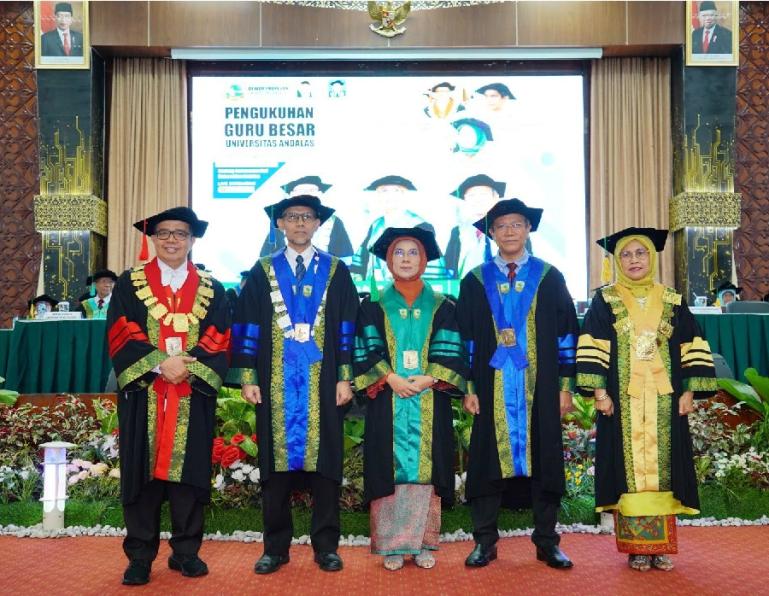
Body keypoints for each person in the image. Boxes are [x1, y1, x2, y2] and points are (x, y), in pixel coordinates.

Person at [230, 194, 359, 574]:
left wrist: (345, 378)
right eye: (291, 217)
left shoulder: (336, 271)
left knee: (326, 468)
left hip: (323, 383)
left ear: (318, 224)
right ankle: (275, 548)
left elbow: (346, 328)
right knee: (276, 471)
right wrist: (248, 378)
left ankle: (325, 546)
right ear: (280, 224)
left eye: (307, 217)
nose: (300, 223)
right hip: (275, 384)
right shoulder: (262, 271)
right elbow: (247, 326)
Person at [576, 227, 717, 572]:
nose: (634, 260)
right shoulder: (605, 300)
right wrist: (599, 393)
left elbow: (691, 344)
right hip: (621, 401)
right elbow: (593, 344)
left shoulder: (672, 300)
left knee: (664, 471)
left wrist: (688, 393)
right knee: (628, 472)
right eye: (626, 254)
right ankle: (637, 547)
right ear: (616, 260)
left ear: (652, 258)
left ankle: (661, 546)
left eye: (641, 253)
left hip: (665, 400)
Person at [107, 206, 231, 586]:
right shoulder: (130, 283)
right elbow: (121, 331)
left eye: (180, 233)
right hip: (145, 394)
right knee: (141, 475)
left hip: (191, 395)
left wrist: (186, 368)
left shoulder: (213, 288)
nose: (172, 240)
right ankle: (140, 556)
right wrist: (161, 363)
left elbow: (221, 337)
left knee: (189, 475)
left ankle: (186, 552)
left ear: (192, 240)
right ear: (153, 238)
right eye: (164, 233)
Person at [456, 198, 578, 570]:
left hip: (538, 389)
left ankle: (546, 542)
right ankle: (485, 542)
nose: (509, 231)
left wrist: (565, 386)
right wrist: (469, 389)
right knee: (487, 461)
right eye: (501, 225)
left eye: (517, 224)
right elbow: (466, 340)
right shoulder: (476, 280)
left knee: (543, 459)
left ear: (528, 229)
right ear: (490, 233)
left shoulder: (549, 276)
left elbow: (566, 335)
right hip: (491, 386)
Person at [353, 227, 468, 571]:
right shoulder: (373, 305)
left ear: (424, 259)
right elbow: (365, 348)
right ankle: (391, 546)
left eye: (413, 252)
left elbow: (451, 348)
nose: (406, 259)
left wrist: (429, 377)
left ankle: (423, 543)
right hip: (387, 399)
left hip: (429, 397)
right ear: (389, 261)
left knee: (427, 470)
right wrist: (390, 378)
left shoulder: (443, 306)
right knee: (389, 468)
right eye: (399, 253)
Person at [350, 175, 449, 283]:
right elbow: (361, 262)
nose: (389, 196)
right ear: (378, 196)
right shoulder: (376, 225)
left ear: (403, 195)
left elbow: (430, 268)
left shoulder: (419, 226)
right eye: (384, 191)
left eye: (396, 191)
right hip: (376, 291)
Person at [260, 175, 353, 259]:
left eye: (311, 190)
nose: (306, 194)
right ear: (292, 195)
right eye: (301, 191)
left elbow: (344, 256)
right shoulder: (280, 222)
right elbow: (267, 258)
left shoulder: (333, 222)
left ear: (320, 194)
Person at [444, 174, 506, 278]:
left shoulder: (515, 230)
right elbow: (449, 266)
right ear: (465, 200)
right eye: (471, 196)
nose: (477, 200)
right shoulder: (458, 232)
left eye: (483, 194)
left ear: (495, 197)